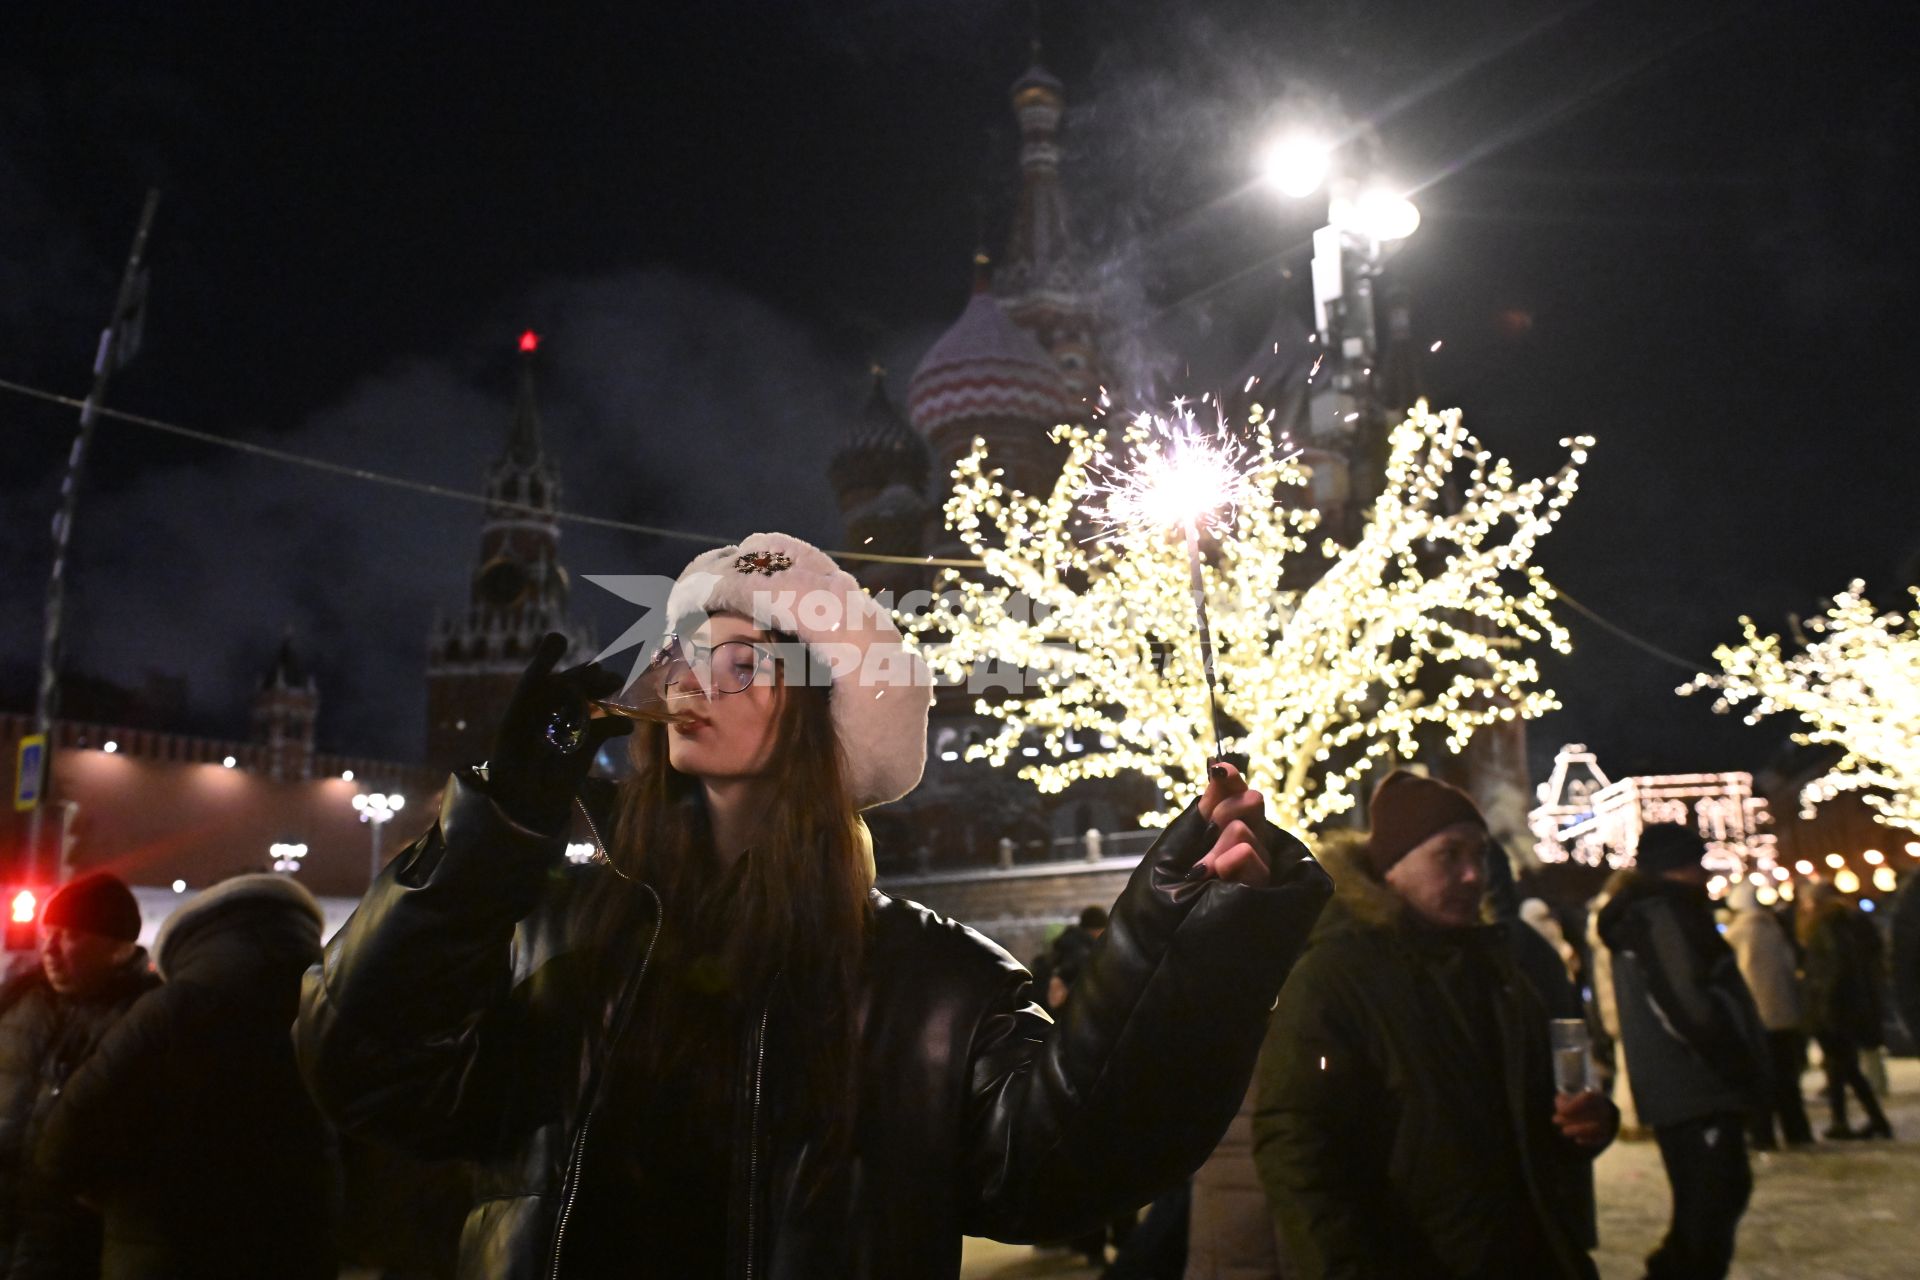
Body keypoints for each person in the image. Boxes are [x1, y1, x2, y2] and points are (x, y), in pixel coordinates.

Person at [297, 532, 1333, 1279]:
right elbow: (365, 1066)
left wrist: (1191, 938)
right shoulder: (558, 927)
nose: (698, 676)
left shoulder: (933, 984)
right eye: (689, 648)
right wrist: (499, 821)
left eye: (746, 658)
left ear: (821, 714)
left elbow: (1065, 1162)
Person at [1254, 771, 1617, 1280]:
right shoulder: (1333, 978)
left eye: (1479, 855)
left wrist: (1587, 1123)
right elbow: (1298, 1148)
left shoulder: (1499, 967)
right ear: (1394, 868)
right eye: (1449, 855)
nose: (1474, 875)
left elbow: (1527, 1117)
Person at [34, 874, 337, 1279]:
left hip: (167, 1252)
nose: (50, 950)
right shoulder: (335, 1015)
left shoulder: (174, 1011)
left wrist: (116, 1195)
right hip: (299, 1253)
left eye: (70, 935)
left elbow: (63, 1145)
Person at [1597, 824, 1768, 1280]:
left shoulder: (1655, 911)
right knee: (1711, 1206)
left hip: (1687, 1084)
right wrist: (1732, 1061)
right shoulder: (1663, 914)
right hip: (1697, 1085)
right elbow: (1686, 1001)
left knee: (1710, 1203)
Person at [0, 872, 158, 1278]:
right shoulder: (19, 999)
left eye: (70, 935)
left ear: (118, 948)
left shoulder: (145, 1019)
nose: (49, 949)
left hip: (70, 1235)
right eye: (47, 933)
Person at [1800, 881, 1893, 1140]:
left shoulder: (1825, 926)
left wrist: (1824, 1006)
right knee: (1841, 1068)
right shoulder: (1841, 922)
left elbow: (1832, 969)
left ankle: (1862, 1120)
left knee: (1843, 1067)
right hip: (1842, 1008)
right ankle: (1857, 1120)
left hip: (1833, 1010)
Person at [1723, 883, 1813, 1149]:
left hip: (1756, 1017)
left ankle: (1763, 1134)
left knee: (1761, 1079)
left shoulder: (1737, 933)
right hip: (1784, 1014)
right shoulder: (1773, 928)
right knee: (1787, 1078)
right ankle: (1797, 1130)